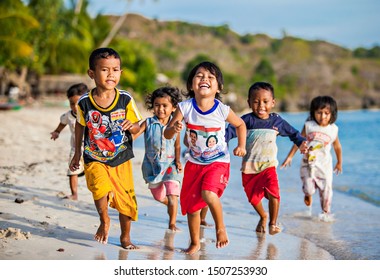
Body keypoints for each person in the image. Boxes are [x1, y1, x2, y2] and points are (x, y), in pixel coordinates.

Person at [164, 61, 247, 255]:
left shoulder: (222, 109)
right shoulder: (184, 108)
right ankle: (195, 243)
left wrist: (241, 146)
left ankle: (220, 228)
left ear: (219, 87)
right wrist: (173, 129)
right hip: (194, 163)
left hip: (218, 162)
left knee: (209, 194)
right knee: (192, 208)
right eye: (199, 76)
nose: (205, 79)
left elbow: (241, 125)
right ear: (192, 85)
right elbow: (167, 134)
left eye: (211, 77)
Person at [69, 47, 142, 249]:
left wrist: (131, 125)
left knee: (126, 200)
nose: (111, 74)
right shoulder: (84, 102)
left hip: (121, 158)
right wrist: (77, 153)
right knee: (99, 188)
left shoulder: (125, 98)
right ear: (91, 73)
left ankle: (125, 237)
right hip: (94, 156)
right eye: (105, 69)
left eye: (115, 69)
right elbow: (80, 126)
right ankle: (104, 220)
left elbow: (138, 124)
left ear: (121, 72)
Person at [225, 82, 308, 235]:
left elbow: (293, 133)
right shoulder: (245, 121)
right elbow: (229, 131)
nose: (260, 105)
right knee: (253, 198)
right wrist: (221, 144)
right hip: (249, 169)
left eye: (265, 101)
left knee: (274, 193)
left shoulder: (276, 121)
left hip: (268, 166)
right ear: (249, 102)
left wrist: (301, 142)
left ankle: (273, 223)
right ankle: (263, 215)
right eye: (255, 101)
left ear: (273, 102)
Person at [281, 96, 342, 219]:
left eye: (326, 113)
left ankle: (325, 213)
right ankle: (308, 194)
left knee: (326, 190)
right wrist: (289, 157)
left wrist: (339, 162)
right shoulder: (309, 126)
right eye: (319, 112)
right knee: (309, 189)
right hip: (307, 165)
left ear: (332, 114)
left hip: (325, 166)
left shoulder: (333, 129)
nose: (322, 116)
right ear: (313, 112)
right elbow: (299, 141)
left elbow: (337, 147)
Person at [133, 86, 183, 231]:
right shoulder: (148, 123)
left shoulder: (175, 125)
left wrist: (178, 161)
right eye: (157, 105)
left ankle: (172, 223)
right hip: (152, 166)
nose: (160, 109)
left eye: (165, 106)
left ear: (173, 108)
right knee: (159, 197)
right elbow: (135, 135)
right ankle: (171, 205)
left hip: (170, 165)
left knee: (173, 194)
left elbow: (178, 146)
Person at [50, 83, 88, 200]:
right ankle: (74, 194)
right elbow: (62, 124)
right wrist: (57, 132)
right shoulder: (68, 116)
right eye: (72, 103)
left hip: (92, 148)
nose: (75, 107)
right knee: (72, 171)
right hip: (75, 148)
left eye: (79, 103)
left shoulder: (91, 114)